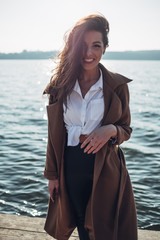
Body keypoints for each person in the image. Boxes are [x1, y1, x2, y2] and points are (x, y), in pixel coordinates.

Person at [43, 14, 137, 240]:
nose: (89, 53)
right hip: (70, 166)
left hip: (105, 168)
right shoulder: (60, 86)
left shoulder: (117, 86)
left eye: (96, 45)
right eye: (83, 46)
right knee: (80, 228)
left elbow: (126, 128)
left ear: (105, 48)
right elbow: (53, 135)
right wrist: (52, 175)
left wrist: (111, 130)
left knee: (102, 231)